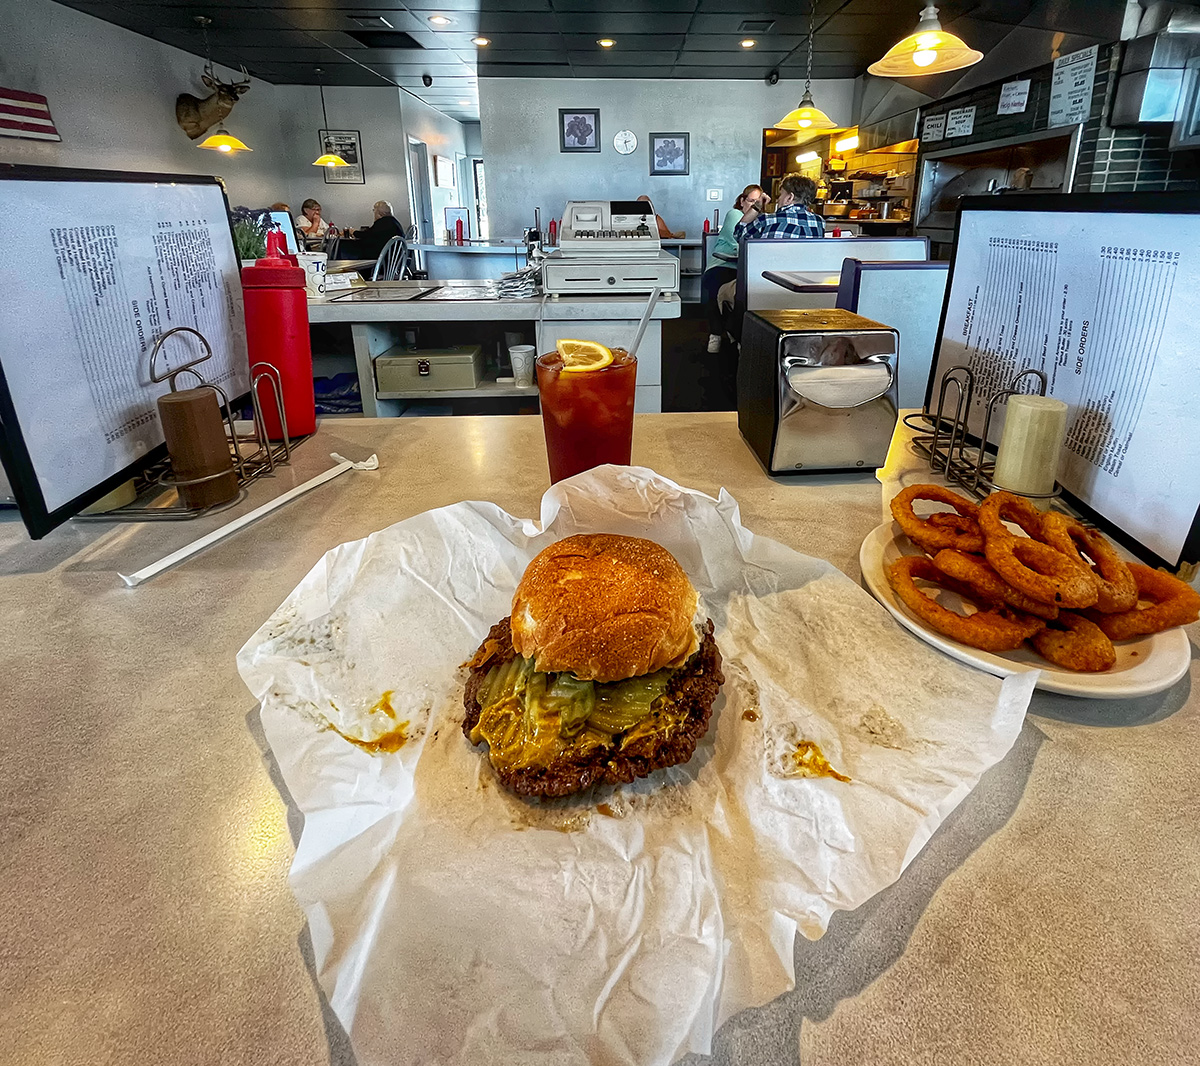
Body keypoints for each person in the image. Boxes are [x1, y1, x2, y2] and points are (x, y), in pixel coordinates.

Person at [702, 184, 768, 354]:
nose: (754, 205)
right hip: (723, 264)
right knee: (715, 284)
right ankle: (715, 334)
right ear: (742, 201)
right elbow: (736, 242)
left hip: (745, 268)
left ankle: (738, 335)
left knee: (750, 292)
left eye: (758, 202)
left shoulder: (763, 219)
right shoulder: (735, 214)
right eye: (751, 201)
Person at [733, 173, 823, 242]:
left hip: (769, 266)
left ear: (789, 198)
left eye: (780, 194)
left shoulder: (766, 220)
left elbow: (739, 235)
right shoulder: (819, 222)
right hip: (805, 266)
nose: (778, 199)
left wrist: (756, 207)